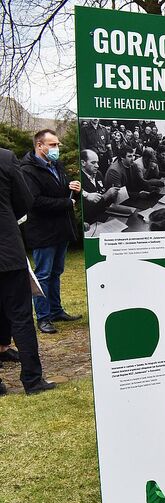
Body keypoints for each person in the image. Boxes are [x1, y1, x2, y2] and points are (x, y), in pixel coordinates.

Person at [0, 147, 55, 395]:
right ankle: (32, 380)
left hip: (7, 250)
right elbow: (24, 200)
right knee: (21, 316)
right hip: (7, 249)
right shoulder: (4, 157)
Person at [20, 129, 82, 334]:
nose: (56, 149)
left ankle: (56, 310)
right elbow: (35, 201)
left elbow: (62, 191)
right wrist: (67, 202)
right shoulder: (27, 170)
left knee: (56, 272)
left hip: (61, 229)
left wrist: (73, 188)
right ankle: (43, 317)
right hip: (43, 232)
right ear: (40, 146)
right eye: (53, 145)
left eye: (57, 145)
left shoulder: (56, 165)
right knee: (43, 275)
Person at [80, 149, 120, 225]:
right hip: (91, 222)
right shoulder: (79, 179)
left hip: (105, 215)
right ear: (83, 163)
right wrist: (106, 196)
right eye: (93, 163)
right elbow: (86, 211)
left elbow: (104, 196)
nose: (97, 166)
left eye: (97, 162)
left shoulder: (98, 174)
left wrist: (112, 195)